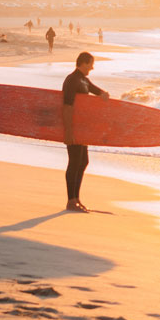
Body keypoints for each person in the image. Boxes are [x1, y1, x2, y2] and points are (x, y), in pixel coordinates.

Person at [59, 51, 108, 211]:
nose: (92, 67)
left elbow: (96, 90)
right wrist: (68, 131)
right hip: (73, 128)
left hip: (82, 130)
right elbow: (67, 106)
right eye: (91, 64)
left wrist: (103, 94)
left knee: (83, 162)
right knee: (74, 162)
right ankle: (71, 201)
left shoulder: (83, 80)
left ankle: (76, 198)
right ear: (84, 63)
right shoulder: (72, 80)